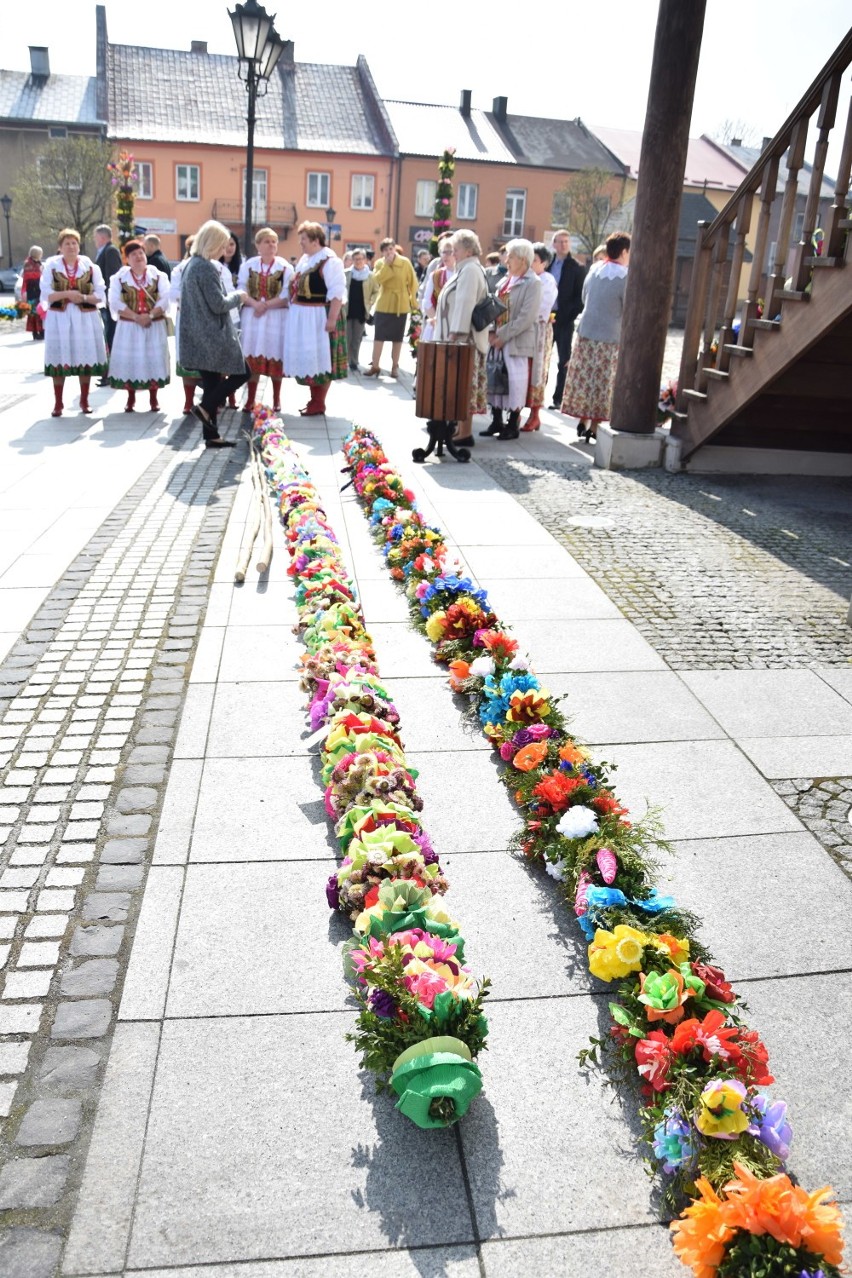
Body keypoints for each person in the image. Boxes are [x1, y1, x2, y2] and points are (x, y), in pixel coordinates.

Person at [177, 219, 248, 447]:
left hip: (199, 333)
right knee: (243, 373)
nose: (224, 251)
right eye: (222, 246)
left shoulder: (192, 264)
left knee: (211, 382)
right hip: (212, 335)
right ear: (212, 243)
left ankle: (211, 435)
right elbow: (218, 304)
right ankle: (205, 408)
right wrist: (239, 296)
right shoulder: (206, 267)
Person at [561, 231, 631, 443]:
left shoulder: (593, 269)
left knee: (584, 378)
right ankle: (594, 425)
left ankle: (582, 418)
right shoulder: (626, 277)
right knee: (602, 380)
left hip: (586, 332)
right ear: (625, 251)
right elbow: (627, 307)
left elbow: (584, 297)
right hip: (610, 335)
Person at [40, 228, 107, 418]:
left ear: (79, 246)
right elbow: (46, 294)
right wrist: (68, 294)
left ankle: (84, 400)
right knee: (59, 358)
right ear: (60, 248)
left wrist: (84, 296)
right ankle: (58, 402)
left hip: (84, 317)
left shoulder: (91, 267)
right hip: (59, 318)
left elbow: (101, 295)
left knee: (84, 357)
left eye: (74, 243)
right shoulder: (51, 267)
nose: (71, 246)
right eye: (67, 243)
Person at [433, 228, 490, 447]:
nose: (453, 253)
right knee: (462, 386)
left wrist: (456, 333)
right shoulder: (467, 268)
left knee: (464, 385)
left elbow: (466, 303)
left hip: (464, 341)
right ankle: (460, 429)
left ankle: (464, 432)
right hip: (461, 339)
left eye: (455, 249)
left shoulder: (470, 270)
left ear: (467, 250)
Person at [283, 220, 347, 417]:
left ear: (314, 240)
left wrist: (332, 319)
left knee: (322, 359)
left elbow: (337, 292)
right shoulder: (306, 260)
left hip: (320, 315)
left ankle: (319, 402)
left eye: (303, 239)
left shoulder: (330, 261)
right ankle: (314, 400)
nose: (300, 243)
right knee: (311, 359)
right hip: (305, 316)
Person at [481, 238, 541, 442]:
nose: (507, 260)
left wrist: (503, 335)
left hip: (516, 340)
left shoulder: (533, 283)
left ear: (523, 260)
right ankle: (496, 419)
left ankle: (512, 422)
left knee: (515, 381)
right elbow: (494, 306)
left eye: (512, 257)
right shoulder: (505, 280)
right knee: (495, 378)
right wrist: (490, 331)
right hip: (498, 339)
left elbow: (527, 317)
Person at [107, 239, 170, 412]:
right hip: (129, 327)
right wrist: (136, 317)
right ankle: (130, 398)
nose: (138, 257)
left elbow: (165, 298)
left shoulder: (158, 276)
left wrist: (150, 315)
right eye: (133, 254)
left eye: (141, 253)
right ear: (127, 259)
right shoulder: (119, 278)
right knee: (131, 359)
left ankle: (153, 398)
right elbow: (113, 301)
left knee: (153, 358)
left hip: (153, 325)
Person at [237, 227, 293, 414]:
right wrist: (254, 303)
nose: (271, 245)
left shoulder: (285, 267)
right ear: (258, 245)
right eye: (267, 241)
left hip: (276, 317)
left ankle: (277, 399)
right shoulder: (249, 265)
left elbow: (287, 294)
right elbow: (241, 288)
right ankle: (250, 399)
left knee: (275, 353)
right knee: (252, 356)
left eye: (274, 242)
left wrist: (266, 305)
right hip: (252, 316)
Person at [363, 237, 418, 378]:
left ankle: (394, 367)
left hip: (401, 304)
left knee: (397, 338)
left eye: (391, 248)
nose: (389, 252)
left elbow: (413, 282)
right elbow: (377, 280)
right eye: (386, 250)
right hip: (384, 303)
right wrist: (387, 265)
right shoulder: (380, 263)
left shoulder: (405, 262)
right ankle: (375, 366)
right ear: (382, 252)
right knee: (379, 336)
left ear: (395, 248)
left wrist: (414, 302)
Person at [522, 242, 559, 432]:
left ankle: (534, 415)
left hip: (538, 331)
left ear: (544, 263)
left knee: (537, 370)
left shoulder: (547, 280)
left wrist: (525, 317)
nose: (531, 263)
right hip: (523, 329)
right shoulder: (525, 277)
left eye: (535, 260)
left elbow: (542, 308)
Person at [548, 228, 586, 409]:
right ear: (554, 244)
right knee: (542, 358)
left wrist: (568, 315)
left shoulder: (576, 268)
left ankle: (559, 397)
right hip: (546, 318)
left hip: (564, 320)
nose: (563, 245)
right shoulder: (548, 264)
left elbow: (580, 299)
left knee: (564, 360)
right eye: (559, 241)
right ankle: (537, 398)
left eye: (566, 241)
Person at [93, 224, 122, 382]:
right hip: (104, 302)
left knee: (111, 335)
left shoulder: (110, 251)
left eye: (96, 237)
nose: (95, 240)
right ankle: (108, 372)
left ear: (103, 237)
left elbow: (112, 276)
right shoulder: (105, 251)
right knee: (108, 335)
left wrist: (110, 300)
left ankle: (111, 372)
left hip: (109, 302)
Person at [420, 238, 455, 344]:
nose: (446, 255)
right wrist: (436, 319)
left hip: (456, 325)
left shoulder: (462, 274)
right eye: (444, 252)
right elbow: (427, 301)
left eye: (450, 252)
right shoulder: (435, 275)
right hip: (436, 323)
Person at [344, 248, 371, 371]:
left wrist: (370, 303)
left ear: (365, 260)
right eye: (355, 259)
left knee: (357, 338)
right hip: (348, 310)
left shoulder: (370, 276)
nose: (358, 261)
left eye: (360, 259)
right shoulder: (346, 273)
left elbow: (376, 291)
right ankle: (346, 360)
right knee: (347, 337)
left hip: (361, 310)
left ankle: (354, 360)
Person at [21, 246, 44, 340]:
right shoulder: (28, 263)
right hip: (32, 290)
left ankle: (42, 331)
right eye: (40, 253)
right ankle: (35, 333)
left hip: (38, 289)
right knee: (34, 312)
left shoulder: (38, 263)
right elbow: (28, 277)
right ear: (37, 254)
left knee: (40, 310)